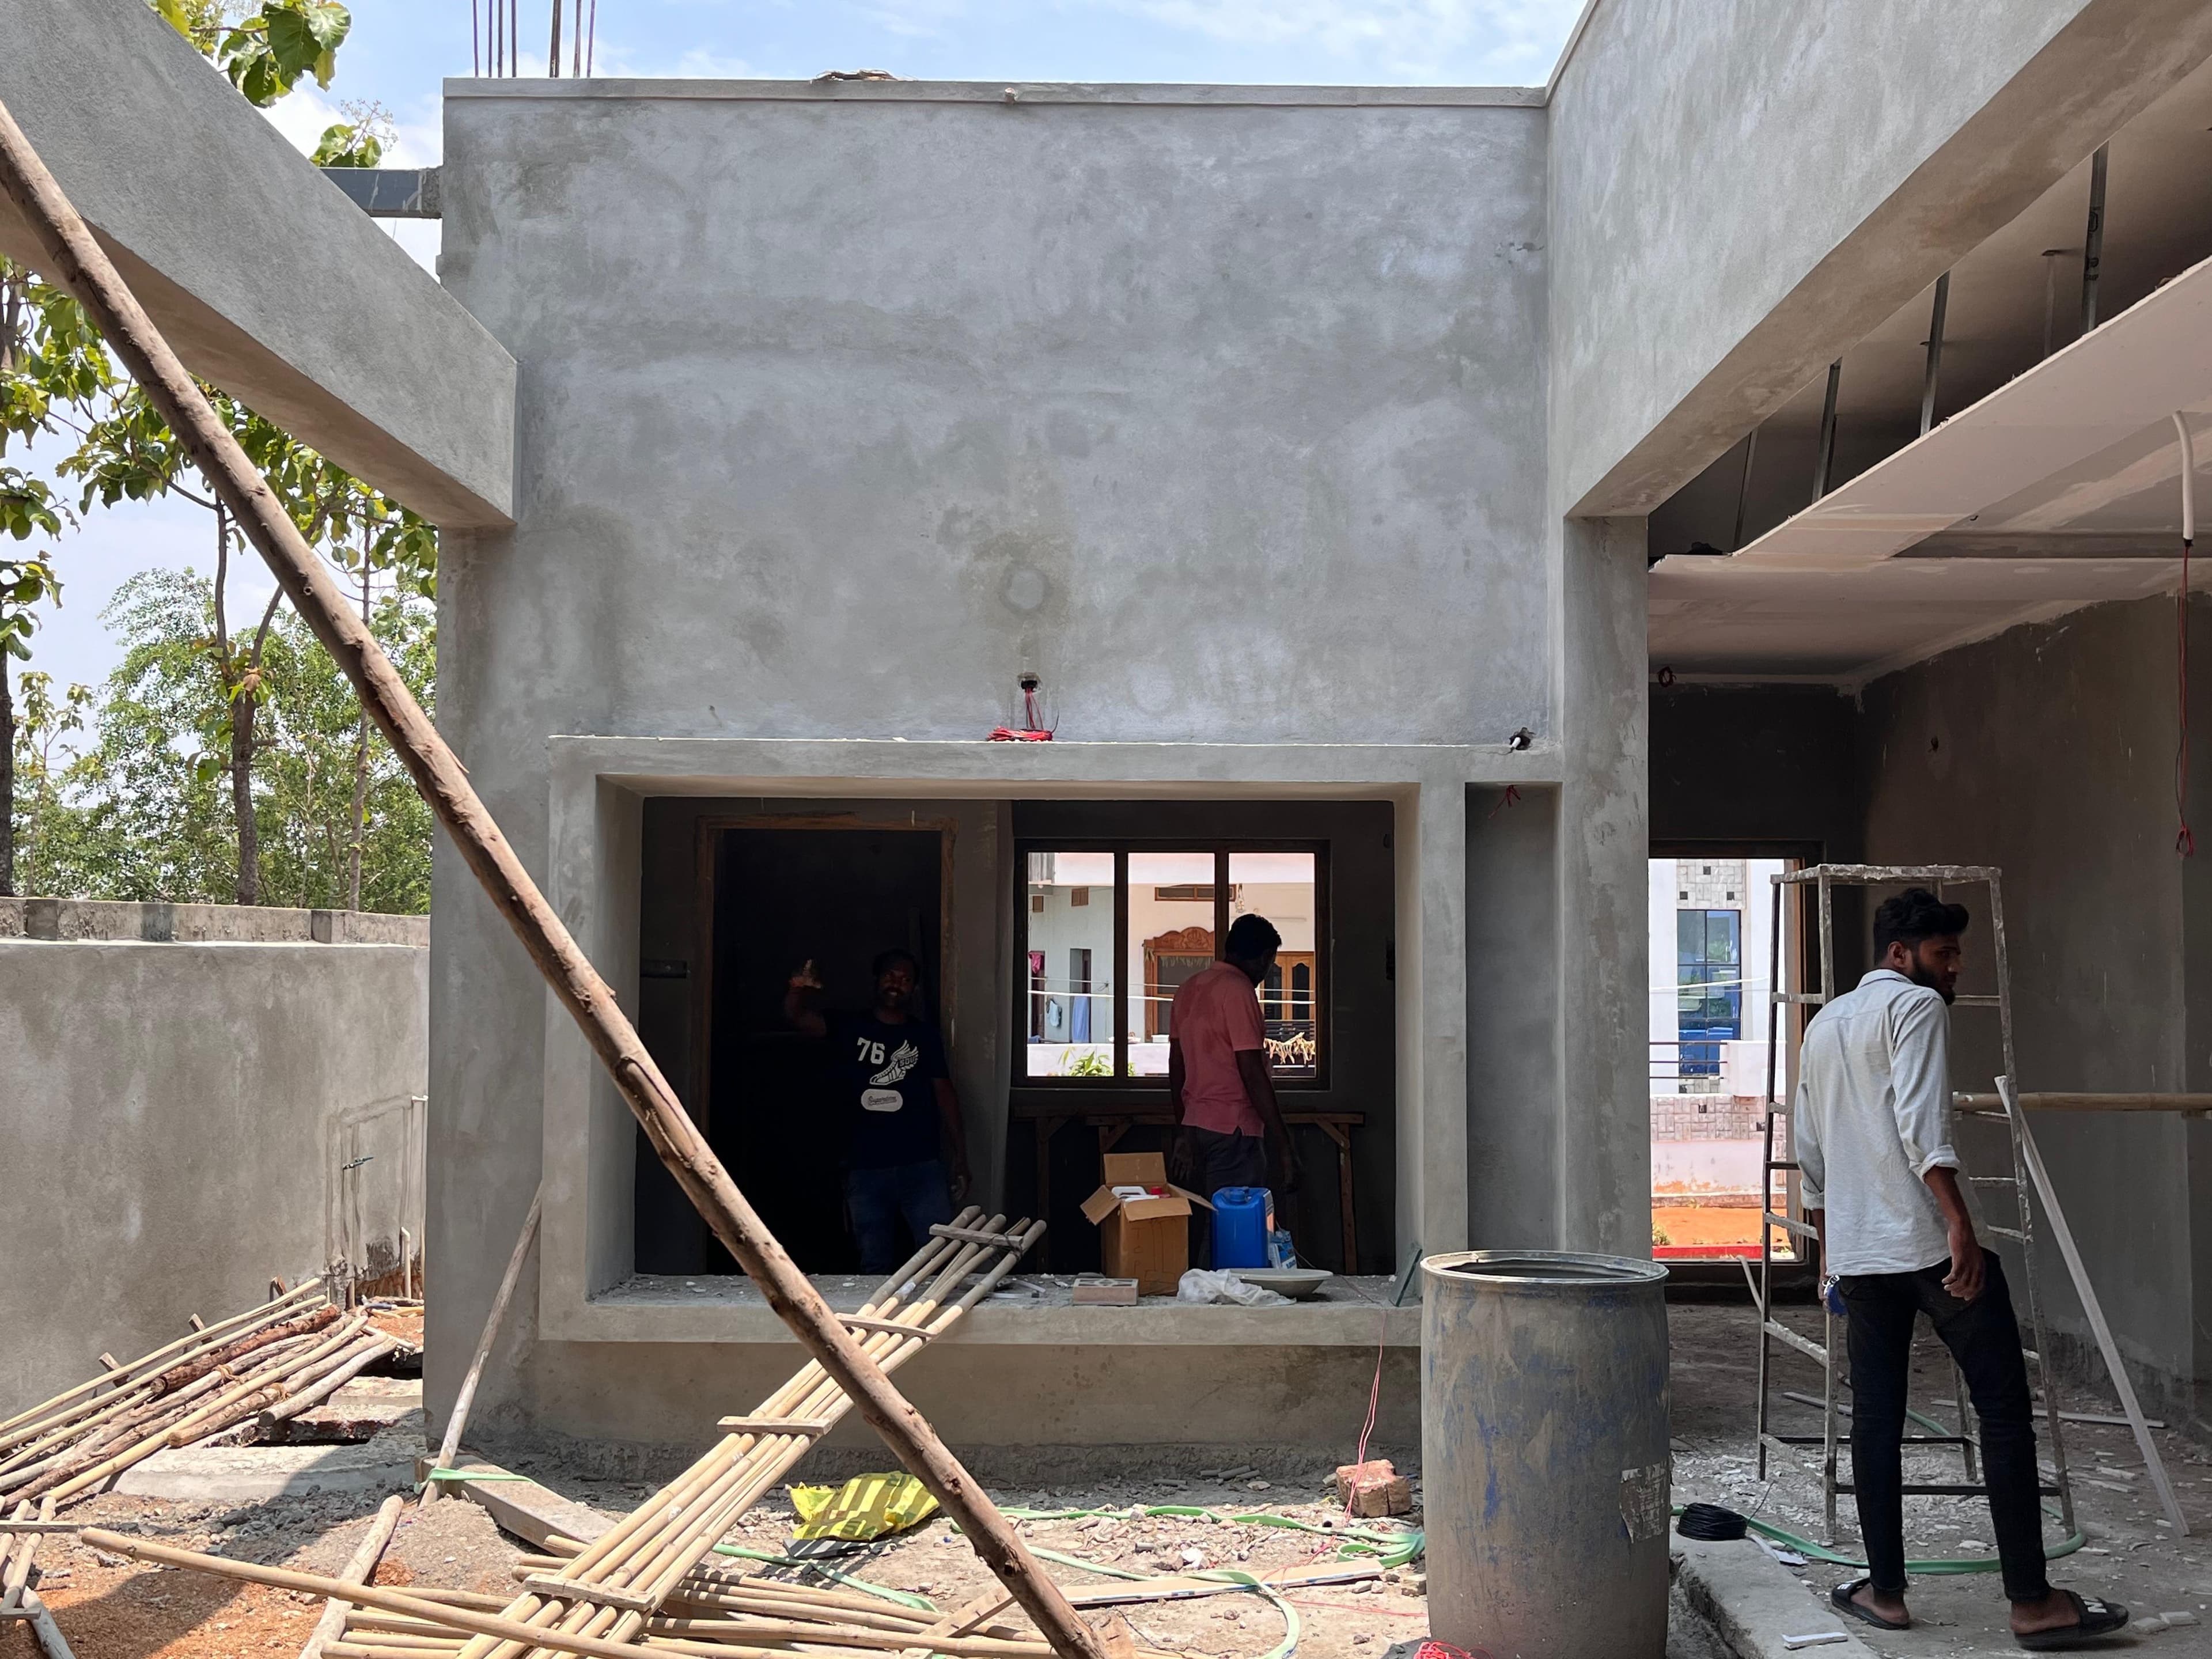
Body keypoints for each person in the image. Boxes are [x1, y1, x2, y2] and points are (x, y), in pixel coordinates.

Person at [1798, 888, 2126, 1649]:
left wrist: (1829, 1256)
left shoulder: (1822, 1025)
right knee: (2004, 1414)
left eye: (1956, 954)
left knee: (1874, 1423)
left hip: (1862, 1256)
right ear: (1899, 954)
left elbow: (1810, 1152)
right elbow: (1922, 1126)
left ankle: (1885, 1595)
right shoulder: (1915, 1010)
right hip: (1927, 1244)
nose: (1955, 970)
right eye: (1944, 955)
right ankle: (2032, 1603)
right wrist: (1960, 1228)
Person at [785, 948, 972, 1274]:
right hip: (865, 1166)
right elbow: (798, 1018)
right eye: (890, 976)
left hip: (921, 1165)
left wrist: (961, 1155)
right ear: (877, 979)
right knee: (874, 1261)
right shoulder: (849, 1026)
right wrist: (797, 988)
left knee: (939, 1258)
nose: (896, 984)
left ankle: (935, 1323)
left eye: (905, 979)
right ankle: (874, 1325)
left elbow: (945, 1093)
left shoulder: (923, 1036)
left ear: (913, 988)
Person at [1166, 914, 1300, 1255]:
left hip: (1196, 1127)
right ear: (1264, 957)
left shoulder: (1189, 989)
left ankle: (1198, 1298)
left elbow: (1176, 1066)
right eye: (1269, 963)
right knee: (1234, 1231)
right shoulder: (1238, 991)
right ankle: (1225, 1305)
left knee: (1201, 1226)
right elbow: (1251, 1072)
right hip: (1234, 1131)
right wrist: (1284, 1145)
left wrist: (1183, 1127)